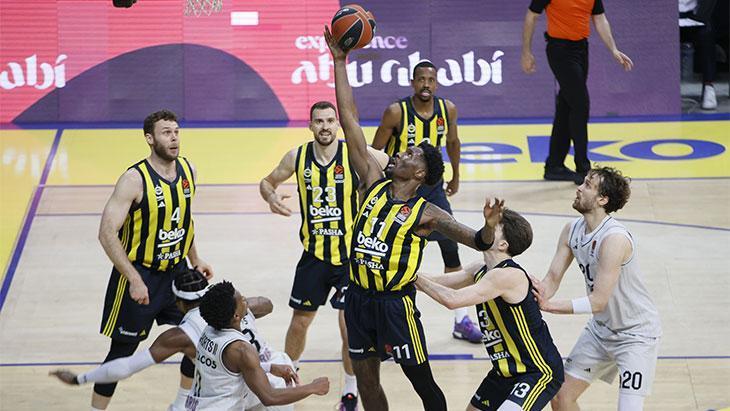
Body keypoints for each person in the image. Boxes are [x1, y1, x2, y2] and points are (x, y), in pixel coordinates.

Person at [326, 27, 505, 411]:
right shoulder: (372, 182)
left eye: (410, 155)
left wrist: (489, 226)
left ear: (420, 173)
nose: (400, 154)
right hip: (357, 299)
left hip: (395, 306)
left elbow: (477, 241)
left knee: (424, 386)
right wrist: (340, 61)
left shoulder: (427, 212)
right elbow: (349, 121)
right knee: (368, 384)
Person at [259, 101, 389, 410]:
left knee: (349, 328)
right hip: (314, 256)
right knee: (299, 323)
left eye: (331, 120)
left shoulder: (353, 154)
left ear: (338, 125)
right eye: (319, 121)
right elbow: (267, 182)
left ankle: (350, 392)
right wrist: (271, 197)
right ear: (310, 125)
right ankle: (288, 380)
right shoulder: (297, 157)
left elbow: (389, 163)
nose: (326, 126)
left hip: (349, 260)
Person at [92, 109, 214, 410]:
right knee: (121, 352)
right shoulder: (133, 179)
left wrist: (195, 258)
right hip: (140, 275)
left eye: (176, 132)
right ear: (149, 139)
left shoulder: (188, 170)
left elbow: (182, 220)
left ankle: (183, 404)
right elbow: (106, 233)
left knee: (201, 340)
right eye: (166, 133)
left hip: (177, 275)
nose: (174, 138)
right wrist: (133, 279)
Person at [49, 269, 298, 411]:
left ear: (177, 302)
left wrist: (81, 379)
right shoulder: (234, 307)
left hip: (242, 392)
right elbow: (267, 304)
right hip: (276, 374)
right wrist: (246, 305)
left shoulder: (181, 335)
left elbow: (127, 366)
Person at [532, 166, 661, 410]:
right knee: (560, 397)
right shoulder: (571, 230)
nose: (579, 188)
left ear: (603, 199)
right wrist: (533, 292)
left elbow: (598, 301)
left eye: (587, 186)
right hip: (601, 331)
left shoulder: (614, 239)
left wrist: (549, 306)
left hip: (635, 335)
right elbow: (552, 278)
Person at [372, 60, 482, 344]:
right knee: (390, 253)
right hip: (402, 189)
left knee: (451, 248)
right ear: (412, 82)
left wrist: (456, 175)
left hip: (432, 189)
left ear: (437, 83)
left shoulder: (448, 109)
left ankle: (461, 320)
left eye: (430, 80)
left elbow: (453, 143)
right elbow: (375, 152)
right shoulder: (396, 112)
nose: (426, 85)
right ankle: (384, 327)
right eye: (421, 79)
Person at [416, 209, 564, 411]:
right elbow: (440, 282)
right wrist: (399, 270)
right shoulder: (480, 268)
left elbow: (452, 300)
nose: (484, 231)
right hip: (504, 372)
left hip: (536, 371)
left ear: (503, 244)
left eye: (493, 227)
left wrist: (412, 277)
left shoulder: (508, 275)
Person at [521, 0, 633, 184]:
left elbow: (599, 19)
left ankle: (554, 166)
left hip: (581, 49)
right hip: (559, 50)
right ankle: (583, 169)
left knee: (567, 104)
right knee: (580, 105)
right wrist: (526, 52)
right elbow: (531, 16)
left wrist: (613, 49)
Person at [187, 281, 330, 410]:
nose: (245, 300)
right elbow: (270, 397)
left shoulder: (209, 330)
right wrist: (313, 387)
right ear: (236, 316)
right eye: (242, 300)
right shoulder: (241, 349)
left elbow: (230, 367)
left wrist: (269, 367)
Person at [679, 0, 719, 110]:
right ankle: (659, 89)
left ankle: (708, 86)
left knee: (707, 31)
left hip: (695, 18)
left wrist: (700, 16)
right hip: (666, 18)